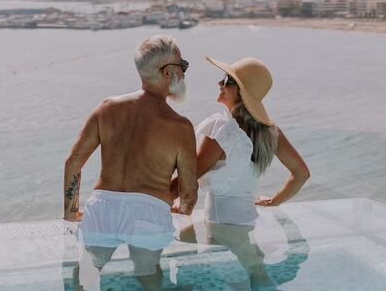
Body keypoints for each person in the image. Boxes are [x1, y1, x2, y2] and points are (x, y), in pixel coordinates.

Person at [63, 35, 198, 289]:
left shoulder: (107, 108)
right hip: (149, 211)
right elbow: (189, 193)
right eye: (183, 66)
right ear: (169, 72)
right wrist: (180, 210)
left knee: (86, 277)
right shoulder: (180, 126)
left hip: (103, 205)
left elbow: (73, 163)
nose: (185, 72)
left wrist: (71, 213)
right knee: (149, 277)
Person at [174, 56, 309, 289]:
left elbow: (191, 175)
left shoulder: (223, 130)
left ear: (241, 93)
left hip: (223, 226)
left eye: (227, 81)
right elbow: (301, 173)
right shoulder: (270, 131)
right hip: (243, 223)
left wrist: (154, 199)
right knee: (251, 278)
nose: (220, 83)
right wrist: (275, 201)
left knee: (176, 249)